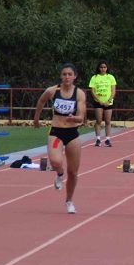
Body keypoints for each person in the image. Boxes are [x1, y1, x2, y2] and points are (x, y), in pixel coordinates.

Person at [33, 64, 87, 214]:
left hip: (72, 133)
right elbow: (41, 101)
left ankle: (69, 201)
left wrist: (74, 118)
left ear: (75, 76)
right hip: (56, 132)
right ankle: (59, 174)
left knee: (73, 172)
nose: (67, 77)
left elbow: (81, 117)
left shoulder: (79, 93)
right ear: (61, 76)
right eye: (64, 74)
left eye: (70, 74)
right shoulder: (53, 90)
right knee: (56, 161)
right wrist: (36, 119)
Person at [88, 62, 117, 147]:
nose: (103, 69)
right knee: (99, 121)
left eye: (104, 67)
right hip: (98, 102)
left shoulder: (110, 77)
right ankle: (98, 139)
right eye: (101, 67)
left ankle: (108, 139)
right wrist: (98, 100)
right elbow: (92, 91)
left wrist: (109, 100)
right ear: (98, 68)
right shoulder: (94, 77)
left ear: (107, 68)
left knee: (108, 121)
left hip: (108, 103)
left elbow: (113, 91)